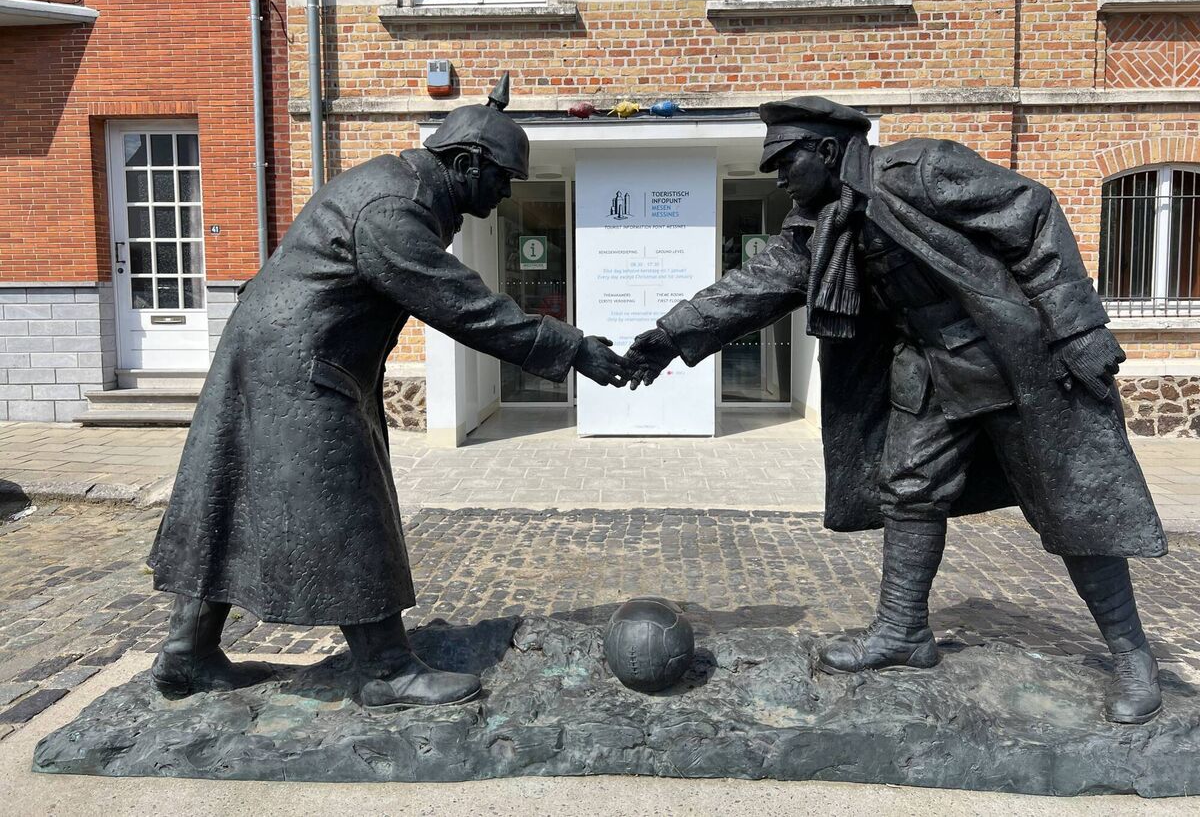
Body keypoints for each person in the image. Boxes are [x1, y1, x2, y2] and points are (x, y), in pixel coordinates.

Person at [625, 96, 1167, 724]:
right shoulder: (821, 220)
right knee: (908, 488)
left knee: (1069, 503)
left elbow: (1033, 211)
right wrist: (667, 338)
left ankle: (1132, 655)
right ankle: (904, 631)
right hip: (925, 367)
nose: (777, 178)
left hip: (1006, 359)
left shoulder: (922, 170)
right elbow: (757, 286)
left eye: (783, 162)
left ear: (826, 151)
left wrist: (1076, 328)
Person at [149, 75, 632, 708]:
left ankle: (189, 652)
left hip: (273, 361)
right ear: (465, 163)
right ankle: (385, 670)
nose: (507, 193)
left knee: (233, 493)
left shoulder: (394, 187)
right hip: (301, 371)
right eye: (503, 178)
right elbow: (462, 305)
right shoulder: (392, 208)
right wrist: (570, 348)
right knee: (352, 509)